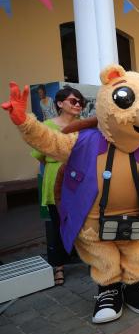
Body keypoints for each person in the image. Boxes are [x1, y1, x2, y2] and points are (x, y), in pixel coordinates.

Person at [31, 85, 85, 285]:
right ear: (60, 104)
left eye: (80, 101)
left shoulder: (85, 126)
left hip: (81, 182)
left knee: (84, 222)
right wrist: (59, 166)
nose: (78, 104)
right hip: (55, 181)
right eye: (73, 101)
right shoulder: (47, 126)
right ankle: (58, 266)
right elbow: (41, 157)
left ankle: (90, 259)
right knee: (57, 225)